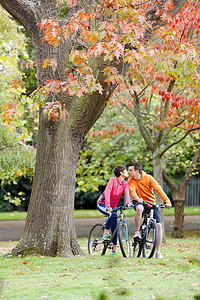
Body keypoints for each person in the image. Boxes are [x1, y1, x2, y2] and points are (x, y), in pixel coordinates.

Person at [128, 162, 172, 258]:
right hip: (139, 201)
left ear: (136, 171)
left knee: (159, 226)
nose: (128, 172)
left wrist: (167, 201)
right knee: (139, 208)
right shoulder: (130, 180)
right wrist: (136, 198)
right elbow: (132, 191)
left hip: (151, 203)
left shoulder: (148, 178)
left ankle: (158, 252)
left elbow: (159, 190)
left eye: (130, 170)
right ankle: (137, 233)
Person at [97, 165, 132, 256]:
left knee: (115, 227)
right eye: (125, 171)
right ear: (121, 172)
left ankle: (113, 251)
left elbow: (127, 194)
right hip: (102, 204)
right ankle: (105, 234)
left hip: (112, 207)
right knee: (112, 215)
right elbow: (107, 192)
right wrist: (107, 205)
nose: (127, 172)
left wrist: (128, 203)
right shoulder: (113, 180)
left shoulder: (125, 183)